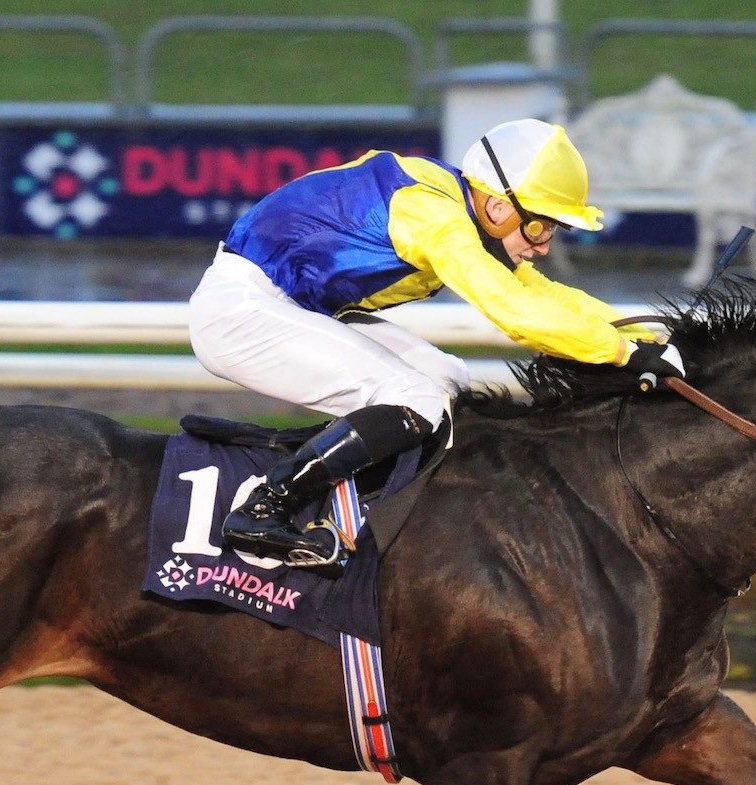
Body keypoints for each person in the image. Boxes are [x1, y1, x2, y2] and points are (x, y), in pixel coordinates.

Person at [187, 117, 683, 573]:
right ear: (496, 205)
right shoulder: (434, 216)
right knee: (415, 399)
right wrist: (621, 354)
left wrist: (643, 333)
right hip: (240, 312)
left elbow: (540, 293)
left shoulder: (457, 204)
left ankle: (361, 497)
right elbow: (511, 310)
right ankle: (261, 513)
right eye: (541, 224)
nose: (544, 243)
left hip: (289, 305)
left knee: (448, 381)